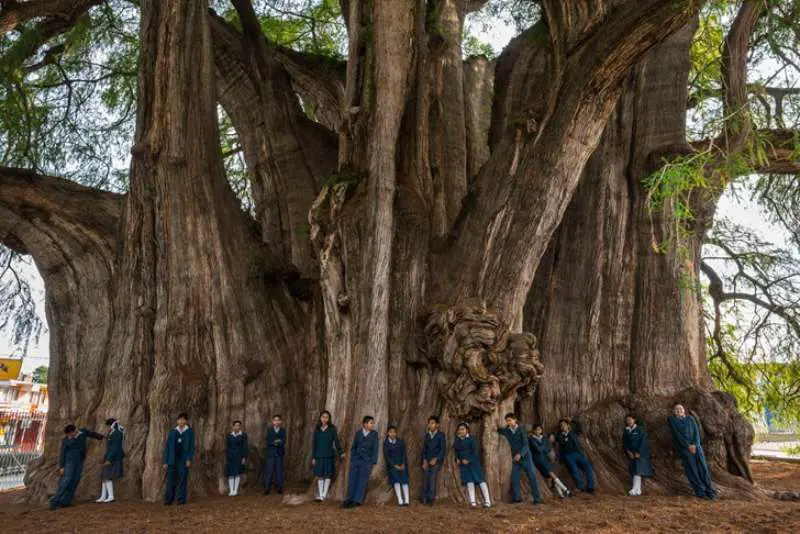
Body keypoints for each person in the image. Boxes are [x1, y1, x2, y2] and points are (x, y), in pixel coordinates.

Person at [668, 403, 717, 500]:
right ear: (674, 412)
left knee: (703, 469)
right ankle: (700, 492)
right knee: (692, 471)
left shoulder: (690, 419)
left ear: (684, 410)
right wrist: (688, 445)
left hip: (697, 447)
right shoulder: (672, 421)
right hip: (685, 449)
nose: (679, 410)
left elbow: (696, 432)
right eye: (676, 409)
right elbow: (677, 435)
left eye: (680, 408)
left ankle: (710, 491)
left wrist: (695, 444)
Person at [49, 425, 104, 510]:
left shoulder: (83, 432)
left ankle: (65, 502)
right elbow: (62, 453)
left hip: (80, 460)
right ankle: (54, 501)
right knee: (67, 480)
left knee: (75, 480)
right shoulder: (66, 439)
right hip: (70, 460)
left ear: (74, 431)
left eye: (71, 434)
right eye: (69, 435)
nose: (69, 435)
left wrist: (102, 437)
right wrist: (62, 467)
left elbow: (92, 434)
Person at [497, 413, 542, 505]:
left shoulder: (521, 430)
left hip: (525, 457)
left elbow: (526, 444)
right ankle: (517, 498)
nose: (508, 422)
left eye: (510, 420)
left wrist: (520, 454)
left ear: (515, 420)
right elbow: (500, 431)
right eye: (507, 421)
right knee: (514, 477)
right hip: (515, 459)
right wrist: (496, 425)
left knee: (532, 477)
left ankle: (537, 498)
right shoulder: (507, 430)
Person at [341, 415, 379, 508]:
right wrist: (353, 459)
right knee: (352, 480)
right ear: (365, 424)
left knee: (362, 481)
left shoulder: (374, 434)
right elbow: (354, 447)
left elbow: (375, 449)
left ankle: (357, 500)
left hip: (366, 462)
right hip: (356, 460)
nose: (372, 425)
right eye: (371, 423)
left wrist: (372, 462)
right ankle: (348, 499)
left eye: (373, 423)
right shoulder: (358, 433)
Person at [454, 422, 491, 508]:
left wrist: (469, 460)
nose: (461, 431)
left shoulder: (472, 439)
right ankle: (473, 502)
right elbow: (456, 451)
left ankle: (488, 501)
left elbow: (476, 451)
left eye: (463, 429)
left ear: (467, 430)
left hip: (474, 463)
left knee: (481, 480)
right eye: (460, 429)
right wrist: (457, 458)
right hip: (464, 464)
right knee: (469, 481)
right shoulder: (458, 440)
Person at [528, 424, 570, 498]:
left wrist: (543, 447)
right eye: (537, 429)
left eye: (540, 430)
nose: (538, 431)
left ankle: (561, 494)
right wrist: (543, 447)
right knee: (551, 473)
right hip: (538, 459)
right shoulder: (532, 439)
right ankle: (565, 489)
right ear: (534, 430)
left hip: (546, 458)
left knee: (552, 475)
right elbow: (538, 449)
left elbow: (548, 449)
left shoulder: (544, 438)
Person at [555, 416, 595, 494]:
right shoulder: (559, 436)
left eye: (564, 424)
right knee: (574, 471)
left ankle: (590, 487)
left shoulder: (573, 432)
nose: (562, 426)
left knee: (588, 468)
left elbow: (580, 427)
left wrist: (572, 420)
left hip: (578, 453)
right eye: (561, 425)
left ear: (567, 425)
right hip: (568, 456)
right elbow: (552, 439)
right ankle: (580, 487)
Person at [312, 410, 345, 502]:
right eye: (323, 417)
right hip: (319, 455)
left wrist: (340, 452)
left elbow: (336, 441)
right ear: (320, 418)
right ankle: (320, 493)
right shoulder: (317, 429)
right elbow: (314, 444)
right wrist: (314, 457)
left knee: (327, 475)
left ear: (329, 419)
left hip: (328, 455)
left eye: (327, 417)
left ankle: (323, 495)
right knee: (320, 475)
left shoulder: (332, 429)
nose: (324, 419)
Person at [163, 412, 195, 505]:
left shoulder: (189, 432)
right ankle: (169, 499)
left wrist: (189, 459)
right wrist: (165, 461)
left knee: (182, 479)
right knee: (171, 480)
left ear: (186, 421)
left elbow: (191, 447)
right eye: (180, 419)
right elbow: (168, 447)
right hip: (172, 459)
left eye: (183, 419)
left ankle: (181, 499)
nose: (181, 421)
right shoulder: (173, 432)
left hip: (183, 459)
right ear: (177, 421)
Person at [623, 414, 653, 496]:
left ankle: (635, 489)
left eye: (630, 419)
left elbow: (643, 441)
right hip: (631, 454)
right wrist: (628, 452)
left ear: (634, 420)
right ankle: (637, 490)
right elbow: (624, 443)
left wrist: (639, 452)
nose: (628, 421)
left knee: (638, 471)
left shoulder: (640, 429)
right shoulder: (626, 430)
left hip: (640, 454)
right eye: (627, 420)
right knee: (634, 470)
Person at [96, 418, 124, 503]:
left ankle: (111, 496)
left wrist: (109, 459)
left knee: (107, 476)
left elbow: (115, 448)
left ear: (111, 425)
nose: (106, 428)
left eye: (107, 426)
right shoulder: (112, 433)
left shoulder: (116, 433)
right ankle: (103, 496)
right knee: (104, 476)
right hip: (110, 457)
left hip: (113, 458)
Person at [421, 415, 446, 506]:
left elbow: (442, 449)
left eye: (432, 423)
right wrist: (424, 460)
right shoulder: (427, 436)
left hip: (436, 460)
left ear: (437, 425)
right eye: (429, 423)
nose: (430, 425)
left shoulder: (440, 435)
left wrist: (436, 459)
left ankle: (431, 498)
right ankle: (423, 496)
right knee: (425, 477)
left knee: (432, 478)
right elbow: (424, 449)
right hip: (427, 459)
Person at [383, 425, 410, 506]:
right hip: (392, 466)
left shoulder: (400, 441)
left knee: (404, 481)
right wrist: (394, 465)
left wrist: (402, 464)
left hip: (402, 464)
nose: (393, 434)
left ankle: (407, 500)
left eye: (394, 432)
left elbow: (404, 453)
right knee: (396, 481)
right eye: (391, 432)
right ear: (388, 433)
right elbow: (387, 457)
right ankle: (400, 500)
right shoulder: (386, 443)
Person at [264, 414, 286, 494]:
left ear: (280, 421)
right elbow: (268, 441)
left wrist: (275, 442)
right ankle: (267, 488)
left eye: (278, 420)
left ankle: (279, 487)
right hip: (271, 453)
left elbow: (283, 441)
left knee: (279, 471)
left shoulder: (283, 430)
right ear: (273, 421)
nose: (276, 422)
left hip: (279, 453)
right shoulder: (269, 430)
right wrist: (275, 442)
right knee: (269, 471)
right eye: (275, 420)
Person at [225, 420, 248, 497]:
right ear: (233, 426)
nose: (237, 427)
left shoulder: (243, 435)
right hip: (231, 457)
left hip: (239, 457)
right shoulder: (229, 435)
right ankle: (231, 490)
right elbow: (227, 447)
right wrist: (227, 456)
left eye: (239, 425)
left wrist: (244, 457)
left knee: (237, 474)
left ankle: (235, 490)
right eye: (236, 425)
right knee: (231, 474)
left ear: (240, 427)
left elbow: (245, 447)